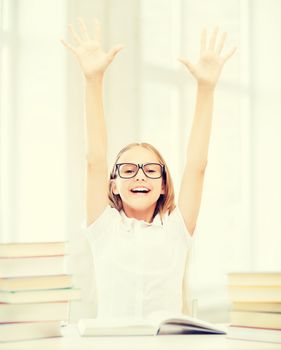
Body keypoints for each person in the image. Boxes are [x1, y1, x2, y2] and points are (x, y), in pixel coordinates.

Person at [61, 18, 236, 319]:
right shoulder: (103, 227)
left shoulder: (176, 230)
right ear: (113, 183)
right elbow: (95, 159)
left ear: (165, 184)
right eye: (127, 169)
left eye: (151, 170)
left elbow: (197, 166)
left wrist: (206, 89)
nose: (140, 175)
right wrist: (93, 81)